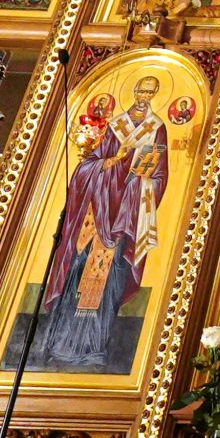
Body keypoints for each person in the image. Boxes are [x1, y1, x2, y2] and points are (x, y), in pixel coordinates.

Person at [28, 76, 168, 372]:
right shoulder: (114, 125)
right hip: (93, 215)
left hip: (122, 220)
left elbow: (158, 178)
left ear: (155, 94)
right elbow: (85, 168)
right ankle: (59, 344)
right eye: (140, 89)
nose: (143, 96)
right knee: (76, 273)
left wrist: (138, 182)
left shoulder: (156, 129)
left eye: (149, 91)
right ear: (133, 90)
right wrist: (108, 164)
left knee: (108, 282)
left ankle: (94, 349)